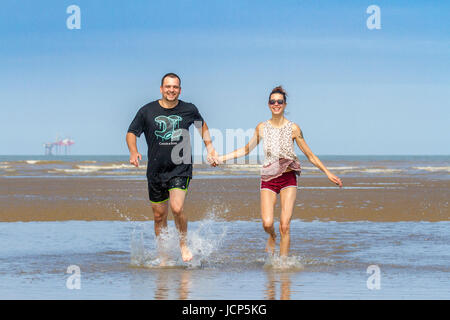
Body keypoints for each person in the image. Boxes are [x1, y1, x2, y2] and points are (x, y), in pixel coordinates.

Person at [217, 86, 343, 257]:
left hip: (288, 178)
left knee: (285, 225)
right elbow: (246, 150)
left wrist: (328, 173)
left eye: (279, 101)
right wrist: (221, 158)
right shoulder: (261, 128)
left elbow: (310, 155)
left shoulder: (293, 128)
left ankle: (282, 265)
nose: (276, 104)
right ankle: (272, 236)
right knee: (267, 223)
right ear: (268, 104)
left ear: (285, 104)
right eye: (272, 101)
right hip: (268, 178)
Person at [126, 73, 218, 263]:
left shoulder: (189, 109)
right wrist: (133, 151)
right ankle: (164, 255)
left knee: (176, 208)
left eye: (175, 87)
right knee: (159, 216)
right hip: (156, 170)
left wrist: (210, 148)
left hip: (180, 167)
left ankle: (183, 244)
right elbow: (131, 132)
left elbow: (202, 127)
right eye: (168, 86)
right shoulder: (147, 111)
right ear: (161, 89)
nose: (171, 90)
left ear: (180, 90)